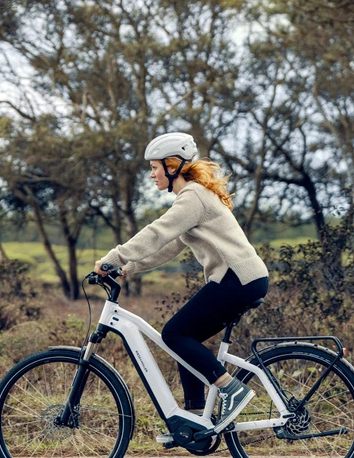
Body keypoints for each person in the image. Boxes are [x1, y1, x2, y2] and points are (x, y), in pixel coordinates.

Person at [95, 132, 270, 430]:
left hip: (236, 278)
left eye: (155, 167)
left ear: (172, 165)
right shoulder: (194, 196)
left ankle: (231, 388)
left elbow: (157, 232)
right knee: (185, 339)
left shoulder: (193, 196)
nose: (152, 174)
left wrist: (114, 257)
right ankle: (195, 418)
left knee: (174, 334)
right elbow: (170, 245)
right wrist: (129, 268)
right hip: (243, 279)